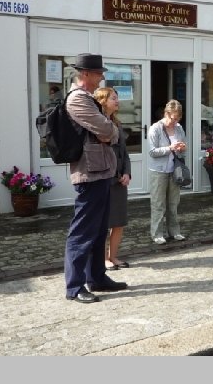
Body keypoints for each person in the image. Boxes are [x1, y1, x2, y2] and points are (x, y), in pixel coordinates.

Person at [63, 53, 128, 304]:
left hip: (101, 171)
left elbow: (109, 130)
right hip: (89, 173)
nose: (102, 76)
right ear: (86, 74)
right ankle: (75, 286)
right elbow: (106, 129)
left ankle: (97, 278)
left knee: (99, 229)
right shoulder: (78, 99)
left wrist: (110, 131)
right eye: (99, 73)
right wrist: (110, 131)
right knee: (82, 233)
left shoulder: (89, 98)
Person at [93, 86, 132, 271]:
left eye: (117, 98)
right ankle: (102, 260)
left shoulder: (117, 124)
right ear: (102, 101)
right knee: (103, 223)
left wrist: (127, 173)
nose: (117, 101)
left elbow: (124, 153)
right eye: (113, 98)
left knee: (118, 221)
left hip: (119, 181)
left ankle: (113, 256)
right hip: (103, 179)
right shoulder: (96, 123)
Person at [148, 99, 187, 244]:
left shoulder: (178, 128)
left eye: (177, 118)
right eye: (172, 118)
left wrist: (182, 148)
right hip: (158, 171)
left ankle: (174, 232)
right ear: (166, 113)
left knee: (173, 203)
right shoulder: (155, 128)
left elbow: (182, 150)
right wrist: (170, 148)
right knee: (158, 204)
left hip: (174, 170)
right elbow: (152, 152)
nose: (174, 121)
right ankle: (157, 234)